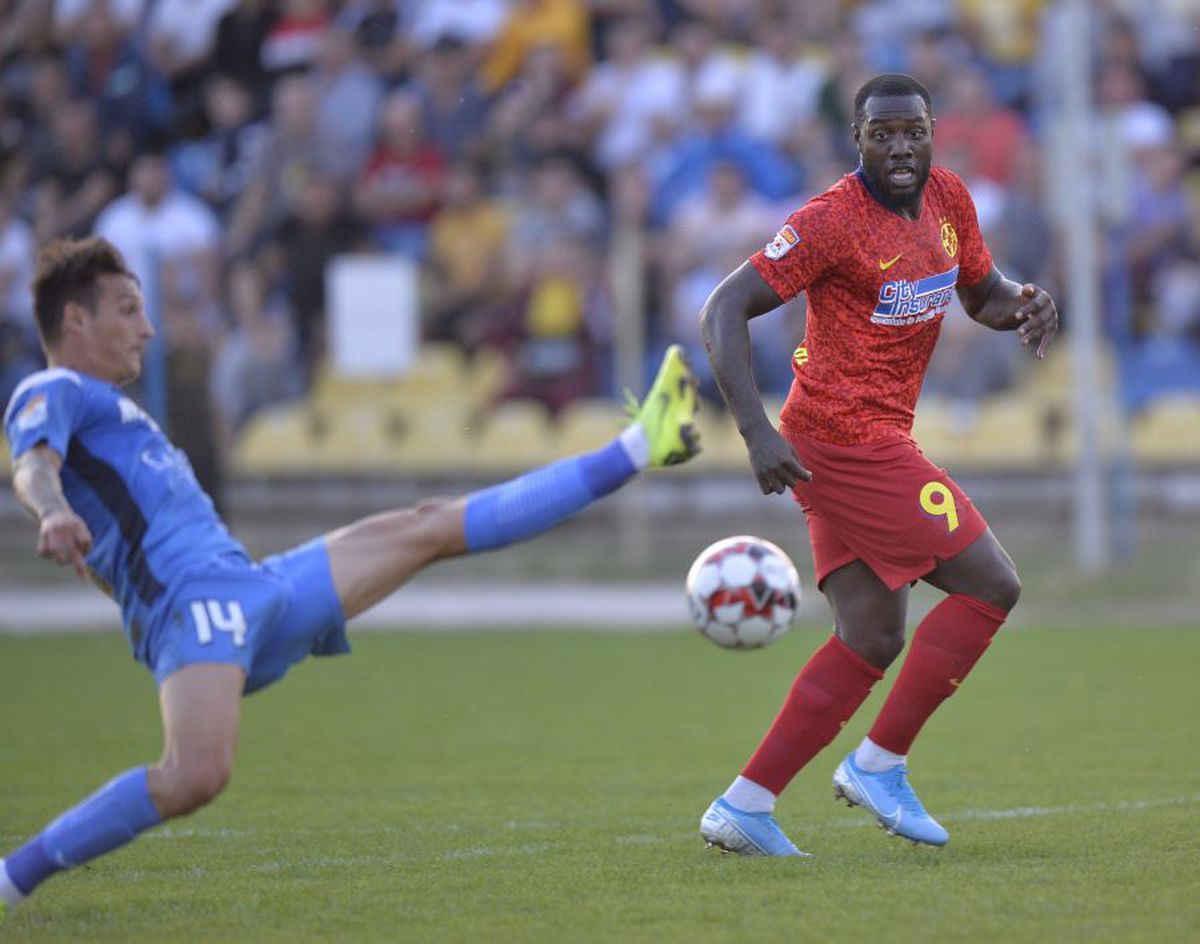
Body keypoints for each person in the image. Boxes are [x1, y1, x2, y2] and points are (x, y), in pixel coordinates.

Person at [0, 236, 700, 917]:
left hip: (256, 588)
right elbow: (31, 463)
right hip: (195, 608)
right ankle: (11, 879)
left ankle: (638, 444)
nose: (147, 328)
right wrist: (54, 512)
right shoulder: (51, 388)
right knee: (195, 775)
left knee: (426, 526)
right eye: (127, 309)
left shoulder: (117, 411)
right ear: (74, 319)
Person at [696, 74, 1058, 856]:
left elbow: (980, 294)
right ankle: (879, 763)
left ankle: (745, 805)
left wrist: (1025, 300)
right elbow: (723, 309)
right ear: (856, 139)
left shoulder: (950, 198)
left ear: (933, 131)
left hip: (873, 433)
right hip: (843, 437)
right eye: (882, 133)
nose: (900, 146)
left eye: (913, 131)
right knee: (992, 584)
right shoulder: (830, 221)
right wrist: (755, 432)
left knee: (871, 635)